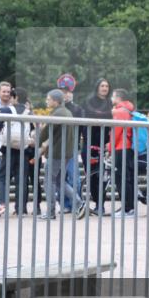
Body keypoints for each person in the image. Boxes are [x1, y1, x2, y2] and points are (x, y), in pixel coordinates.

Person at [38, 90, 84, 219]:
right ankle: (79, 202)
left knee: (49, 181)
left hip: (57, 152)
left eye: (48, 99)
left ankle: (51, 212)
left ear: (55, 101)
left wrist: (36, 141)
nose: (46, 101)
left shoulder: (58, 113)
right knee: (58, 181)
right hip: (65, 151)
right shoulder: (66, 112)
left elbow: (45, 132)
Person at [83, 78, 114, 213]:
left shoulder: (111, 103)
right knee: (91, 175)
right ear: (97, 87)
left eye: (106, 86)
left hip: (104, 143)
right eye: (102, 85)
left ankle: (100, 205)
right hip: (89, 142)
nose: (104, 88)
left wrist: (110, 141)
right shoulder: (88, 101)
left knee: (102, 176)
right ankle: (96, 201)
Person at [4, 88, 36, 215]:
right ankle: (21, 208)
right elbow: (35, 130)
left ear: (16, 97)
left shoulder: (7, 110)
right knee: (22, 179)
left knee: (3, 177)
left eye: (11, 96)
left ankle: (1, 206)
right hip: (24, 149)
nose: (10, 99)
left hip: (9, 147)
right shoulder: (30, 113)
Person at [56, 74, 83, 212]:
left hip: (71, 147)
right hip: (58, 148)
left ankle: (76, 204)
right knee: (61, 178)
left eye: (67, 91)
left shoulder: (77, 109)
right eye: (62, 91)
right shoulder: (55, 109)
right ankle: (65, 204)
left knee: (74, 178)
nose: (65, 94)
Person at [110, 89, 136, 220]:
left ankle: (128, 209)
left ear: (118, 98)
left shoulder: (120, 112)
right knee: (126, 178)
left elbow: (116, 131)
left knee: (121, 178)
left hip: (121, 147)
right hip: (127, 147)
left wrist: (109, 146)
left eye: (113, 96)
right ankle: (128, 207)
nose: (111, 98)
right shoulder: (128, 110)